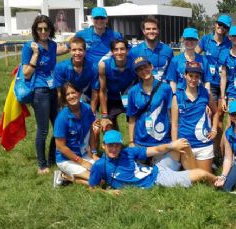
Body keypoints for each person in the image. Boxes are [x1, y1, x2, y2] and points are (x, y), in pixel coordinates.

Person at [88, 130, 217, 194]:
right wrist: (108, 193)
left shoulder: (128, 152)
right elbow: (92, 188)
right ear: (104, 146)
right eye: (110, 146)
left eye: (117, 145)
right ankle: (218, 182)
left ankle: (196, 183)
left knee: (183, 144)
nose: (114, 149)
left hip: (157, 169)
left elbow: (155, 150)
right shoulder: (100, 166)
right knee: (202, 174)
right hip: (157, 180)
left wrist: (172, 145)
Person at [21, 15, 68, 174]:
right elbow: (26, 74)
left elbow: (64, 51)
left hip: (54, 90)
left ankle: (52, 158)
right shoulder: (29, 47)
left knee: (59, 127)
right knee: (43, 130)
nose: (43, 32)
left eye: (46, 28)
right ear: (35, 30)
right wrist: (35, 55)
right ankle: (42, 165)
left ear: (50, 29)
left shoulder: (53, 45)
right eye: (39, 29)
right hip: (40, 92)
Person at [126, 57, 178, 170]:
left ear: (151, 67)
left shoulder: (165, 88)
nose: (144, 71)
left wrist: (174, 142)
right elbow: (131, 118)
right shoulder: (133, 91)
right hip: (141, 142)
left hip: (162, 140)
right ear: (136, 73)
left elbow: (173, 116)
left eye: (146, 67)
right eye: (139, 69)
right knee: (139, 174)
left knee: (166, 174)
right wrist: (131, 142)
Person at [171, 61, 219, 172]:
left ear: (200, 77)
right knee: (193, 178)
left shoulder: (205, 93)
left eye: (196, 76)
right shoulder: (177, 96)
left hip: (204, 143)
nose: (193, 79)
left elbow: (216, 112)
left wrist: (214, 130)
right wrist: (175, 145)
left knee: (204, 179)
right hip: (186, 144)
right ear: (185, 75)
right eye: (190, 76)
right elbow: (174, 125)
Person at [197, 15, 233, 159]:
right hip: (209, 84)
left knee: (220, 116)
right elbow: (195, 54)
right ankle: (209, 149)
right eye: (220, 24)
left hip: (224, 84)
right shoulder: (206, 39)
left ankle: (218, 150)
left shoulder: (229, 43)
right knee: (210, 115)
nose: (221, 28)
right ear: (215, 24)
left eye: (225, 26)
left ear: (227, 30)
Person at [53, 82, 100, 187]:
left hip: (83, 154)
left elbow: (92, 130)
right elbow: (60, 147)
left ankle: (68, 177)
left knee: (104, 174)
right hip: (66, 159)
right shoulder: (62, 118)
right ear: (65, 99)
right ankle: (63, 175)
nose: (71, 96)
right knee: (96, 180)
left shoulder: (87, 109)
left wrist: (94, 153)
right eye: (67, 94)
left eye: (73, 92)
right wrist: (81, 162)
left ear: (79, 93)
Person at [93, 38, 135, 130]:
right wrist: (104, 115)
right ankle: (114, 142)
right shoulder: (104, 65)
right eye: (116, 49)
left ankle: (135, 143)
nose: (119, 52)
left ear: (127, 50)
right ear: (112, 52)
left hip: (130, 98)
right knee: (107, 127)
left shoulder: (134, 64)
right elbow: (103, 91)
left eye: (122, 49)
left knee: (137, 125)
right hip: (112, 99)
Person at [128, 16, 173, 82]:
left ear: (158, 30)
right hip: (143, 90)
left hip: (163, 90)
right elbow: (131, 75)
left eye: (154, 29)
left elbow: (171, 75)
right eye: (148, 29)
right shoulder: (134, 52)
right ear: (143, 31)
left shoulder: (168, 50)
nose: (151, 31)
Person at [54, 36, 97, 104]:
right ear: (70, 51)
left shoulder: (93, 67)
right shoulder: (60, 67)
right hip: (68, 97)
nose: (77, 53)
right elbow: (59, 93)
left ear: (85, 52)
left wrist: (92, 112)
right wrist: (64, 110)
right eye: (74, 50)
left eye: (80, 49)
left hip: (86, 96)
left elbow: (95, 92)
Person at [166, 27, 210, 92]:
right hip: (181, 98)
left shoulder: (203, 60)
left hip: (199, 97)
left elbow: (207, 81)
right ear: (182, 40)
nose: (189, 42)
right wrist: (174, 96)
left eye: (192, 39)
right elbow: (173, 82)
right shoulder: (175, 60)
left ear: (197, 41)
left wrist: (207, 95)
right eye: (187, 39)